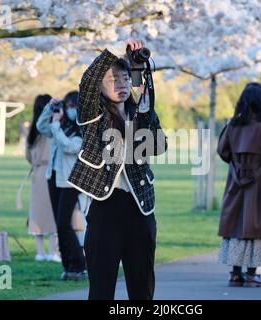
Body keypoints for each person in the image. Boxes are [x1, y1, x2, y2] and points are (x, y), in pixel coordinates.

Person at [67, 38, 167, 300]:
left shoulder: (138, 111)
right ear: (100, 86)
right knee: (101, 286)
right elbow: (87, 81)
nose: (120, 85)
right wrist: (113, 49)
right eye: (113, 80)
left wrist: (145, 110)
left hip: (140, 206)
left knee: (142, 286)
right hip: (105, 207)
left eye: (124, 79)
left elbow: (158, 146)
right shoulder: (93, 114)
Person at [217, 82, 261, 288]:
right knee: (256, 228)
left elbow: (222, 151)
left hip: (236, 184)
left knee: (236, 227)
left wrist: (238, 164)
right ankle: (251, 273)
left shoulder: (233, 126)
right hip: (260, 186)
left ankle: (235, 273)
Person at [36, 90, 87, 280]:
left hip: (70, 181)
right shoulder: (61, 125)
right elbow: (41, 127)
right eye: (68, 106)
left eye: (74, 106)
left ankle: (78, 265)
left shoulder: (81, 130)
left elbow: (69, 147)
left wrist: (56, 125)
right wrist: (49, 109)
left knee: (64, 223)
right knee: (60, 225)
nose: (70, 110)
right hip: (54, 177)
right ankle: (68, 266)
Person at [23, 94, 62, 262]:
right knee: (54, 211)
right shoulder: (52, 127)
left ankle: (40, 252)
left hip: (37, 172)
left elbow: (28, 156)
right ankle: (53, 251)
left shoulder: (33, 130)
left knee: (37, 212)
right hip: (52, 171)